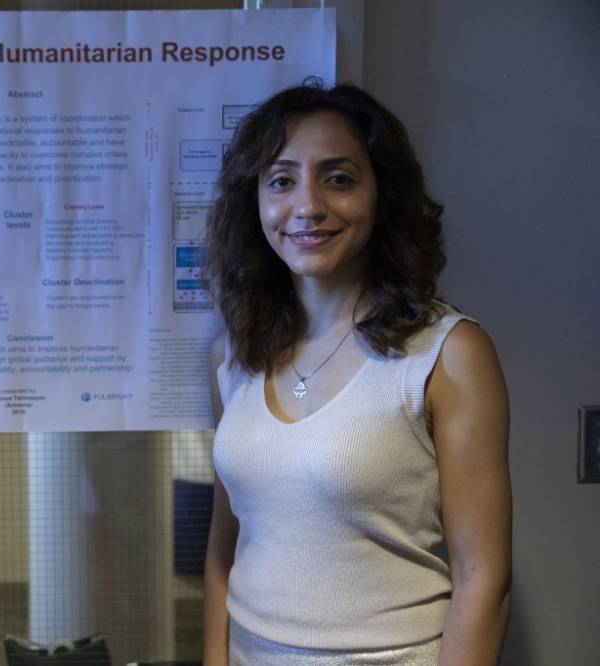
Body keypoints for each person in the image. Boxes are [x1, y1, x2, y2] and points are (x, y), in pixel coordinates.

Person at [201, 82, 511, 665]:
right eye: (281, 180)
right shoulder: (233, 354)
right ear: (255, 202)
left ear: (381, 196)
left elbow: (484, 578)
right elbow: (226, 544)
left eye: (338, 178)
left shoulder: (448, 353)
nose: (308, 206)